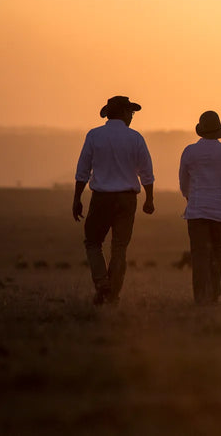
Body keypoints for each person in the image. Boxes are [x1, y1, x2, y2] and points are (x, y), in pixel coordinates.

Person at [72, 95, 155, 305]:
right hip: (127, 199)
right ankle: (113, 294)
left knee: (92, 242)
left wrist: (77, 198)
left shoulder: (94, 136)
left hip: (101, 198)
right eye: (131, 113)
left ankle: (102, 283)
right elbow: (146, 171)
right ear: (125, 113)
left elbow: (83, 170)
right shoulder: (135, 138)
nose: (132, 116)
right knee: (119, 248)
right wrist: (149, 199)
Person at [179, 110, 221, 305]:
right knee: (217, 252)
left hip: (197, 210)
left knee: (199, 254)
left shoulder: (189, 151)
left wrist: (189, 197)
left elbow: (184, 180)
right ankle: (214, 293)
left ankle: (200, 296)